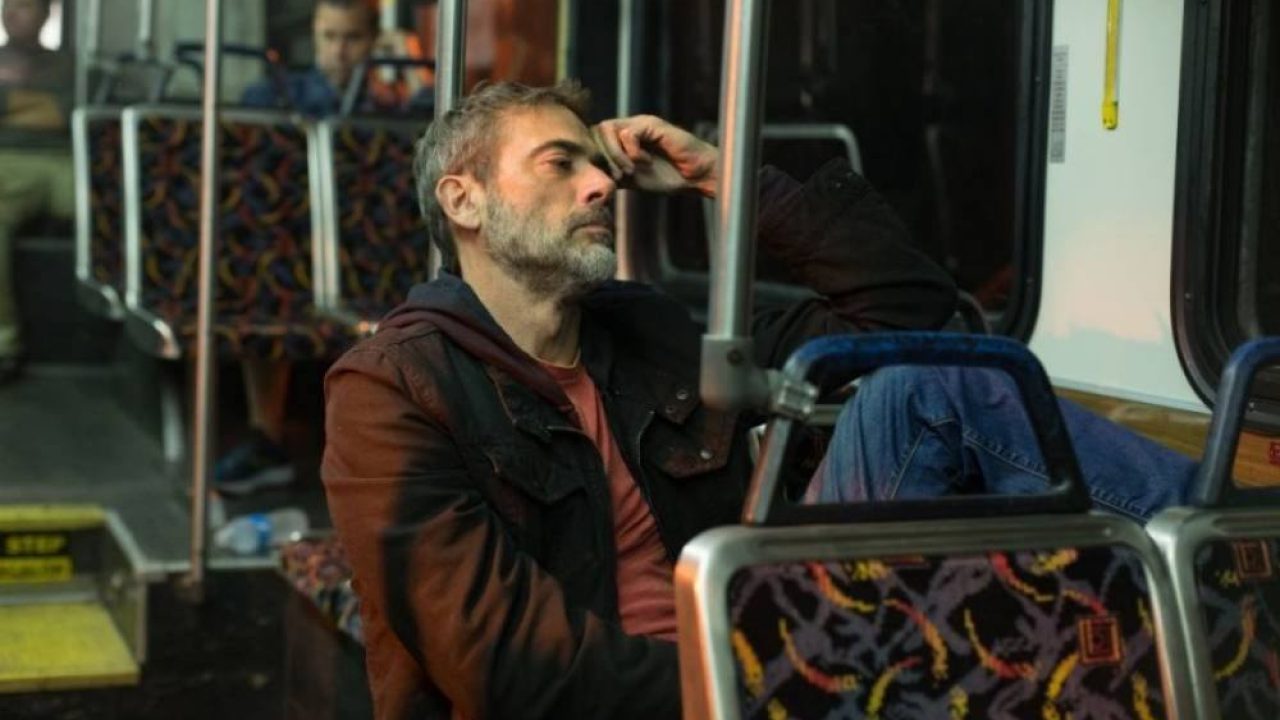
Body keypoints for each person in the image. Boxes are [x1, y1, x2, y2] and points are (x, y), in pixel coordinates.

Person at [320, 81, 1195, 718]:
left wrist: (725, 180)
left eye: (598, 165)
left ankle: (1215, 555)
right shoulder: (393, 389)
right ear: (464, 200)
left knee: (930, 386)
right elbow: (504, 661)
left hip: (769, 651)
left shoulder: (646, 333)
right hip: (704, 684)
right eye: (560, 164)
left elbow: (912, 316)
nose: (600, 185)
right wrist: (745, 672)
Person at [217, 0, 433, 495]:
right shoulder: (279, 94)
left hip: (371, 252)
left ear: (373, 43)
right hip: (293, 247)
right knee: (262, 270)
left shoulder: (394, 105)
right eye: (328, 38)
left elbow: (441, 127)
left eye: (351, 39)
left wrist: (413, 66)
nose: (338, 51)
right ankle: (266, 437)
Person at [0, 0, 72, 385]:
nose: (12, 14)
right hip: (7, 162)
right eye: (7, 6)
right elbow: (51, 112)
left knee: (120, 210)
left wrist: (11, 103)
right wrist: (38, 106)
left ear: (46, 15)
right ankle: (3, 345)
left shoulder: (69, 66)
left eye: (24, 6)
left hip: (65, 161)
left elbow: (66, 113)